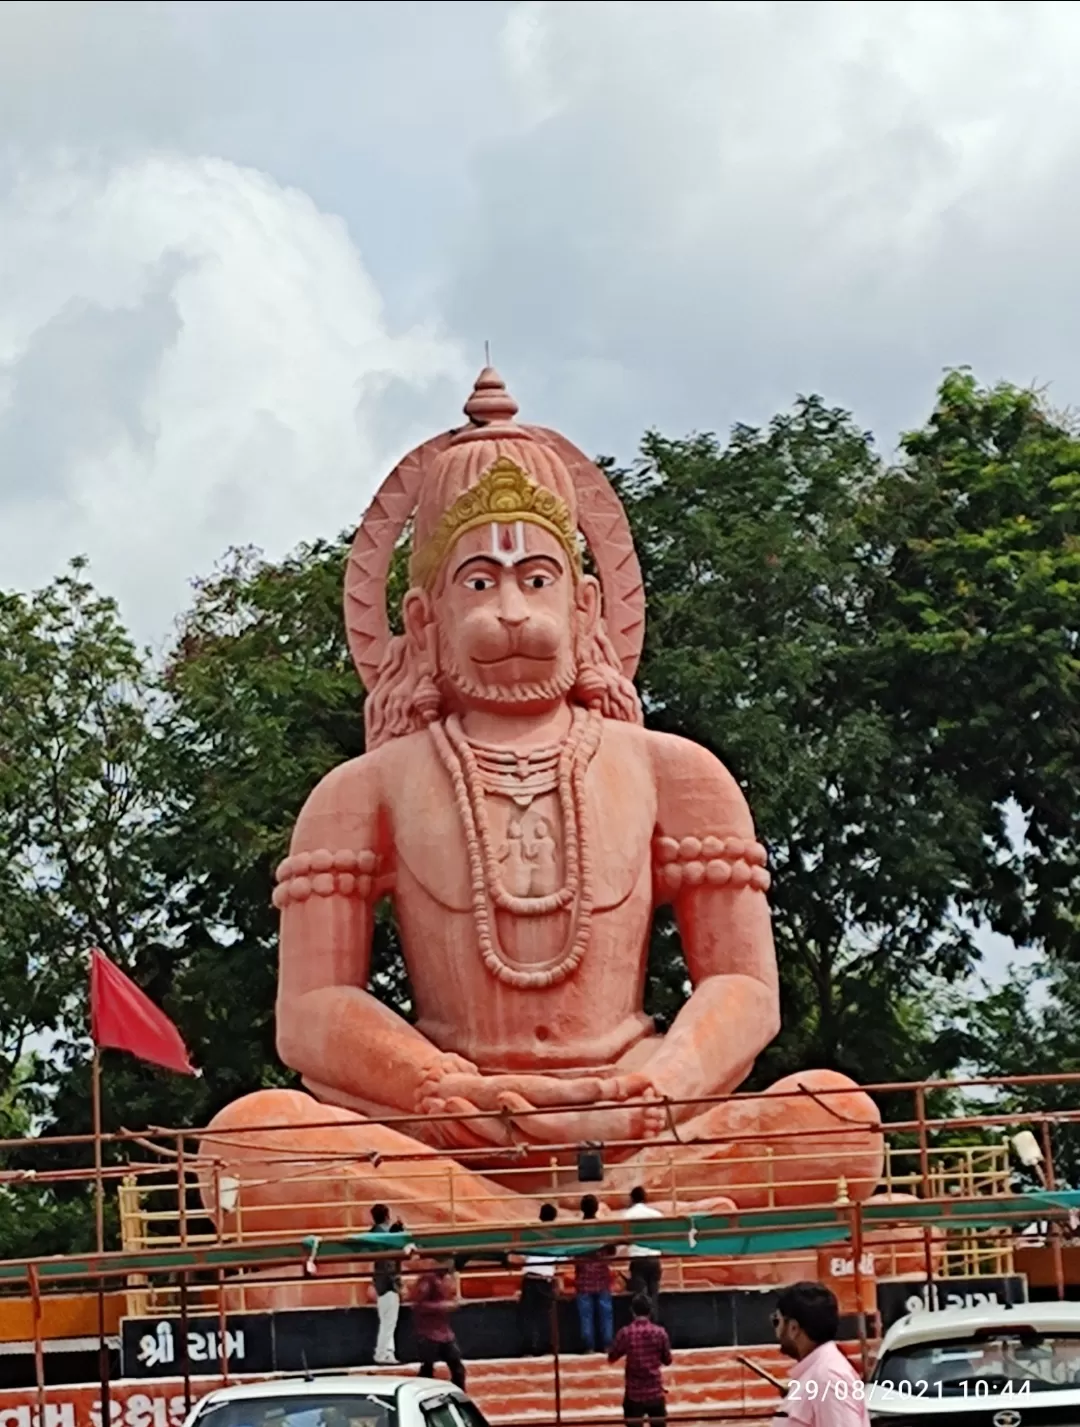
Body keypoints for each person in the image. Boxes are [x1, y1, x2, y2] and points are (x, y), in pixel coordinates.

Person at [771, 1282, 869, 1427]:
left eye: (776, 1321)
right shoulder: (818, 1373)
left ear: (793, 1328)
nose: (776, 1332)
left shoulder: (828, 1378)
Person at [608, 1293, 672, 1427]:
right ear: (650, 1311)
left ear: (632, 1311)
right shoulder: (660, 1332)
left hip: (634, 1393)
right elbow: (667, 1360)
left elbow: (612, 1356)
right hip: (655, 1391)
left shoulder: (625, 1333)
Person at [411, 1261, 466, 1389]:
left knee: (457, 1366)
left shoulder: (444, 1279)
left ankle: (459, 1393)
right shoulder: (427, 1281)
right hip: (429, 1332)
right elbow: (418, 1305)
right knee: (428, 1367)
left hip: (443, 1331)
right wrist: (444, 1306)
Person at [519, 1203, 560, 1356]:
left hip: (530, 1277)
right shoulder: (556, 1237)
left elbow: (522, 1254)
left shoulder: (531, 1234)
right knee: (546, 1315)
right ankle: (547, 1347)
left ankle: (529, 1348)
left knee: (528, 1315)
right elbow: (562, 1257)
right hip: (545, 1279)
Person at [575, 1194, 614, 1353]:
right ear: (597, 1208)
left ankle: (588, 1346)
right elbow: (612, 1249)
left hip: (583, 1278)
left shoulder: (577, 1230)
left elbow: (573, 1251)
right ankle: (607, 1345)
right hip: (602, 1277)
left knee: (586, 1315)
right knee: (605, 1313)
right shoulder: (603, 1229)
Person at [370, 1204, 405, 1365]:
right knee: (389, 1321)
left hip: (380, 1282)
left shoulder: (375, 1233)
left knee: (387, 1320)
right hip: (389, 1283)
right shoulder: (386, 1236)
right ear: (387, 1215)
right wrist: (397, 1283)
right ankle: (382, 1353)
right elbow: (389, 1263)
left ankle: (387, 1352)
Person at [623, 1187, 663, 1319]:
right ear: (645, 1198)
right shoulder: (656, 1214)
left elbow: (623, 1238)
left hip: (638, 1259)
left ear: (632, 1199)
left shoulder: (627, 1215)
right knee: (654, 1298)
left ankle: (641, 1330)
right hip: (654, 1259)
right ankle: (654, 1328)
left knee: (641, 1299)